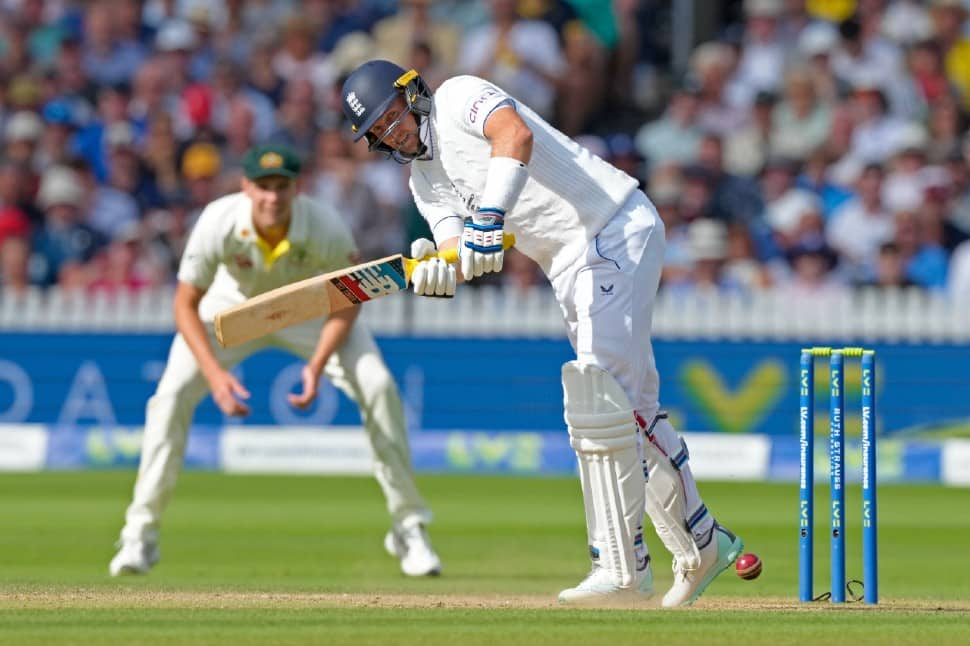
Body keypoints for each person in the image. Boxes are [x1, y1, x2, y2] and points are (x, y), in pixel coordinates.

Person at [339, 61, 743, 606]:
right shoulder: (423, 182)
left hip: (611, 227)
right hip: (569, 263)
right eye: (380, 132)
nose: (394, 133)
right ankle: (701, 540)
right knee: (632, 408)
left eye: (393, 118)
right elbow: (463, 255)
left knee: (598, 395)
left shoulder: (459, 96)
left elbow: (515, 135)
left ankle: (622, 567)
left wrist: (487, 219)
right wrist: (437, 268)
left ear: (410, 95)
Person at [110, 143, 441, 579]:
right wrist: (215, 377)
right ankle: (140, 533)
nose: (272, 196)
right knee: (169, 398)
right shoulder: (219, 221)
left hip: (313, 313)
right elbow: (185, 305)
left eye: (281, 186)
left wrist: (317, 363)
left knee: (378, 386)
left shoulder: (324, 225)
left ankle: (408, 527)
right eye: (263, 186)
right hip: (227, 312)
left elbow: (350, 297)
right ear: (246, 187)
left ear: (296, 188)